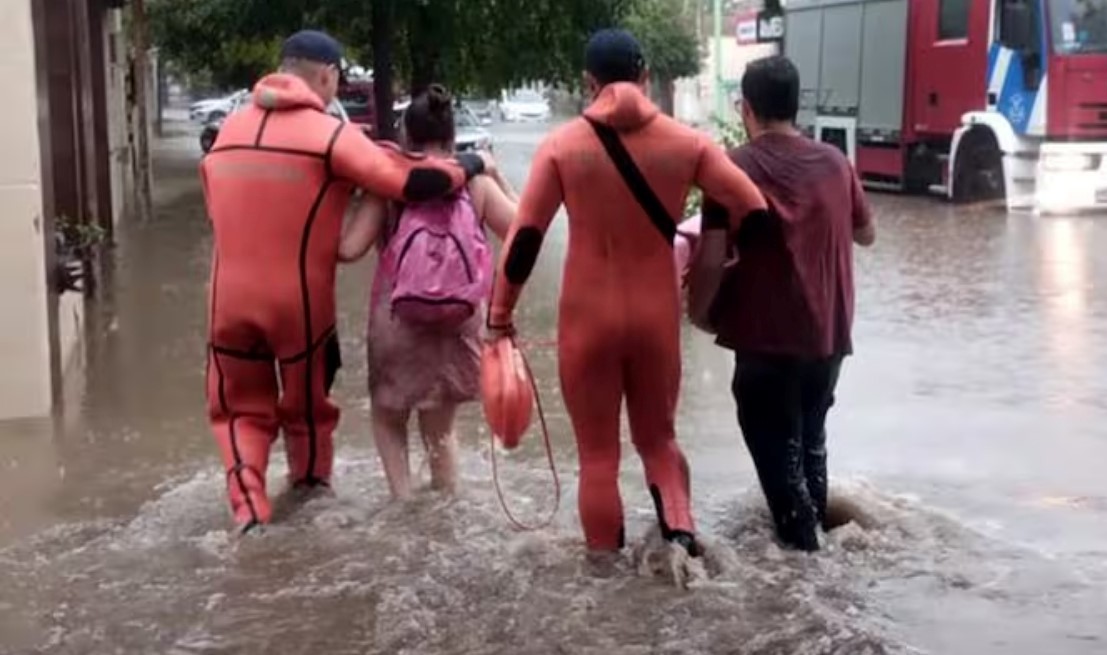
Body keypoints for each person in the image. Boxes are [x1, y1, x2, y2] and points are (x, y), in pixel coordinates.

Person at [487, 29, 768, 560]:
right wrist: (729, 268)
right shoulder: (689, 144)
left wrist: (499, 317)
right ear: (644, 77)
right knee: (659, 443)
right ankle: (682, 549)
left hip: (586, 320)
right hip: (655, 318)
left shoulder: (562, 147)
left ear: (589, 84)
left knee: (598, 457)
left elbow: (525, 238)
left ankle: (604, 582)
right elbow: (753, 209)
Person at [201, 30, 488, 534]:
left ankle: (247, 512)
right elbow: (415, 183)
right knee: (306, 410)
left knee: (238, 412)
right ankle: (310, 492)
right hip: (298, 303)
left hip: (226, 301)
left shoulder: (227, 131)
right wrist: (475, 162)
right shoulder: (329, 135)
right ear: (327, 76)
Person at [700, 55, 875, 552]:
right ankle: (823, 563)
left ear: (744, 108)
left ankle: (807, 578)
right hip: (828, 341)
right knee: (810, 444)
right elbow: (868, 234)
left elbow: (711, 259)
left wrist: (698, 311)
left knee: (780, 462)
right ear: (796, 106)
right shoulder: (836, 164)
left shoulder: (729, 167)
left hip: (765, 342)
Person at [338, 85, 518, 500]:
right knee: (440, 428)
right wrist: (493, 172)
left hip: (398, 319)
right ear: (453, 139)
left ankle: (402, 502)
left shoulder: (388, 186)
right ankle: (445, 505)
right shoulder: (474, 186)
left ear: (405, 138)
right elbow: (523, 230)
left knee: (388, 416)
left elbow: (348, 250)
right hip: (459, 318)